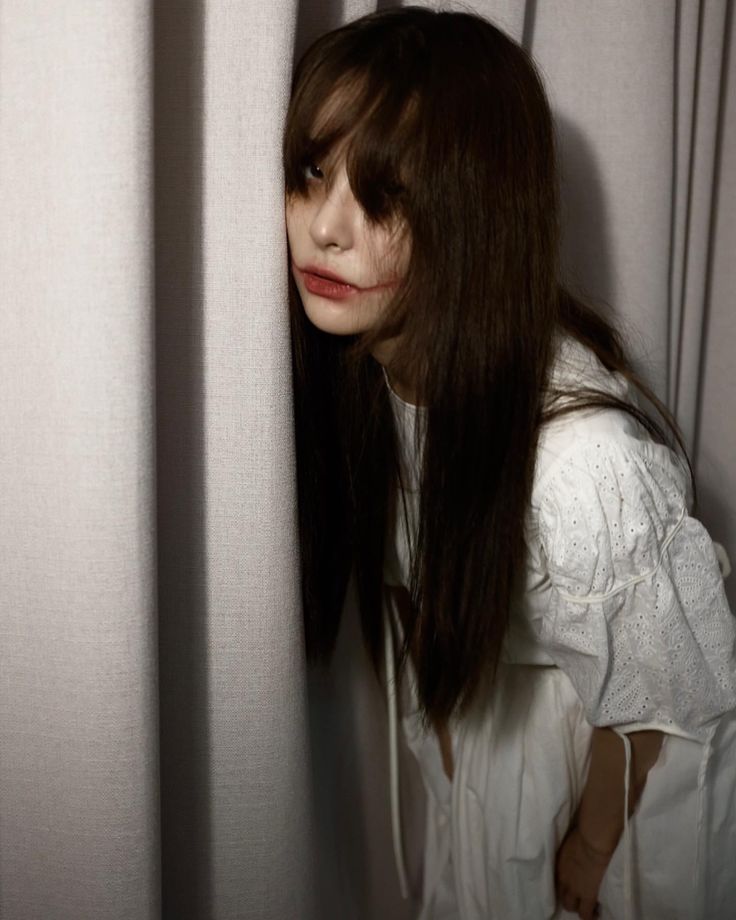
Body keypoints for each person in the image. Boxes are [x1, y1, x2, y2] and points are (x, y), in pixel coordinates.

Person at [282, 6, 736, 919]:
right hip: (475, 761)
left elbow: (666, 709)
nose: (327, 229)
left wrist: (589, 848)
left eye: (385, 193)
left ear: (475, 213)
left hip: (590, 789)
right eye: (311, 174)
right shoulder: (367, 376)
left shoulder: (584, 468)